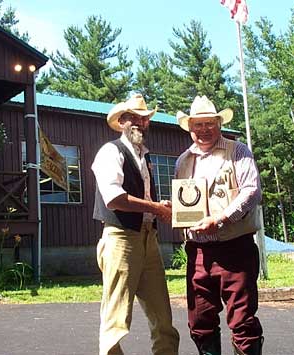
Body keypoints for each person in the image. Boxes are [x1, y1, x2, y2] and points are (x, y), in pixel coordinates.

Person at [174, 95, 264, 355]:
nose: (203, 130)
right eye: (197, 125)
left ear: (218, 124)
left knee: (243, 320)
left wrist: (221, 219)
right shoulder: (183, 161)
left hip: (235, 248)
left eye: (209, 124)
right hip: (198, 252)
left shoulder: (238, 151)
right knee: (199, 321)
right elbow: (185, 202)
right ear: (190, 128)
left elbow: (252, 192)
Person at [91, 94, 180, 355]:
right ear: (121, 121)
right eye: (133, 117)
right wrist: (155, 208)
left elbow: (140, 198)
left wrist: (158, 205)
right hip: (121, 238)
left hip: (148, 239)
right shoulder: (110, 151)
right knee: (116, 317)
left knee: (162, 316)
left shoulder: (144, 155)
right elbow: (114, 199)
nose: (140, 122)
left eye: (144, 117)